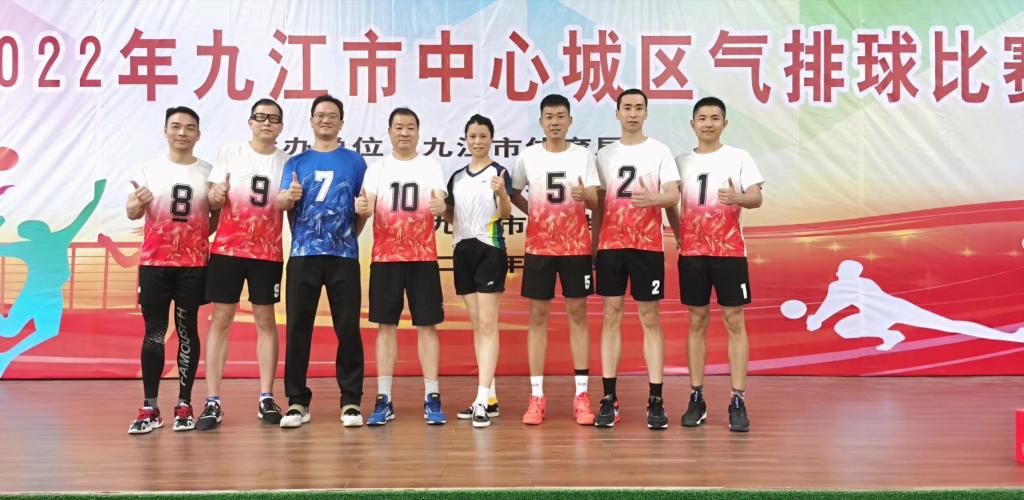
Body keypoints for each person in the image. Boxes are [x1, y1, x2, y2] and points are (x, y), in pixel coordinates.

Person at [667, 96, 764, 433]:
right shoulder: (680, 162)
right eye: (702, 118)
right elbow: (670, 202)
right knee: (696, 321)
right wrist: (679, 234)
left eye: (714, 118)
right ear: (692, 124)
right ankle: (697, 397)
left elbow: (756, 197)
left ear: (724, 123)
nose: (708, 123)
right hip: (692, 255)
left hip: (730, 253)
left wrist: (738, 198)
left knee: (734, 321)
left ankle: (738, 398)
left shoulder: (739, 157)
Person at [195, 98, 289, 430]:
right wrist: (216, 195)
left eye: (273, 119)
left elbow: (287, 202)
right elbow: (212, 196)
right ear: (250, 122)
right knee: (221, 319)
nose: (266, 123)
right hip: (227, 251)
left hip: (267, 253)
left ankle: (266, 396)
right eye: (260, 117)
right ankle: (212, 400)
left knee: (265, 320)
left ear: (281, 127)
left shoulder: (286, 162)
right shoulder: (231, 152)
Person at [277, 94, 368, 429]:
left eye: (332, 115)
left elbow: (362, 209)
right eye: (320, 115)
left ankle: (351, 400)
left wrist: (357, 225)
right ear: (311, 120)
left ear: (341, 122)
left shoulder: (355, 162)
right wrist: (287, 198)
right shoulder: (296, 162)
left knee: (348, 327)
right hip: (304, 255)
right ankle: (297, 401)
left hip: (344, 255)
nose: (326, 120)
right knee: (298, 328)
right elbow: (283, 205)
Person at [592, 88, 680, 429]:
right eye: (626, 108)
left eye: (638, 108)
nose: (632, 113)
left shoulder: (660, 151)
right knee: (610, 316)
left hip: (647, 247)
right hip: (611, 246)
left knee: (649, 318)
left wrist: (653, 199)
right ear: (617, 113)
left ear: (646, 113)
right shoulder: (604, 155)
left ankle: (655, 398)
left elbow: (673, 194)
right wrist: (594, 247)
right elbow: (599, 205)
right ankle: (609, 397)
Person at [510, 94, 600, 426]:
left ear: (570, 120)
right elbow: (514, 192)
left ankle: (581, 395)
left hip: (576, 248)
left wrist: (585, 196)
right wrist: (535, 213)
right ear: (541, 121)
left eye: (561, 116)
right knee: (538, 317)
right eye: (549, 116)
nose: (555, 122)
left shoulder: (583, 155)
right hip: (539, 248)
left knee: (578, 315)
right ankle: (536, 396)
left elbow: (596, 200)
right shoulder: (528, 156)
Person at [126, 106, 216, 434]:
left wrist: (193, 236)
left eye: (189, 127)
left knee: (187, 331)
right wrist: (138, 201)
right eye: (175, 126)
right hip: (155, 264)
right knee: (154, 332)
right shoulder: (149, 169)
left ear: (198, 134)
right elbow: (132, 211)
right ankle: (150, 406)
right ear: (165, 131)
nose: (182, 132)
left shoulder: (208, 172)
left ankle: (184, 404)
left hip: (192, 266)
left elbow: (214, 220)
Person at [361, 107, 448, 426]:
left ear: (418, 131)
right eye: (398, 127)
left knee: (428, 326)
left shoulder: (431, 166)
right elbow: (367, 206)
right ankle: (384, 398)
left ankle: (432, 395)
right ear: (389, 131)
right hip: (386, 258)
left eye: (410, 127)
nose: (404, 133)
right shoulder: (377, 169)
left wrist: (440, 206)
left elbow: (440, 202)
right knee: (386, 327)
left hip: (422, 257)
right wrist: (362, 207)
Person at [443, 114, 511, 428]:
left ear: (491, 139)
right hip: (462, 249)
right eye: (472, 136)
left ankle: (481, 399)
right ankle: (490, 397)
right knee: (477, 325)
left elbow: (505, 214)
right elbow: (452, 216)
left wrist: (503, 194)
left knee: (487, 324)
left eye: (483, 135)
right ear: (466, 139)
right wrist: (440, 210)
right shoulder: (456, 177)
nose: (478, 141)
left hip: (489, 248)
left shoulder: (499, 172)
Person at [0, 180, 104, 378]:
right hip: (32, 295)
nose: (44, 229)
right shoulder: (30, 246)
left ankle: (5, 356)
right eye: (38, 229)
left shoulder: (58, 238)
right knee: (9, 330)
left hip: (52, 295)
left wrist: (96, 197)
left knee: (47, 331)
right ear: (32, 234)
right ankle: (5, 356)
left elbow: (83, 217)